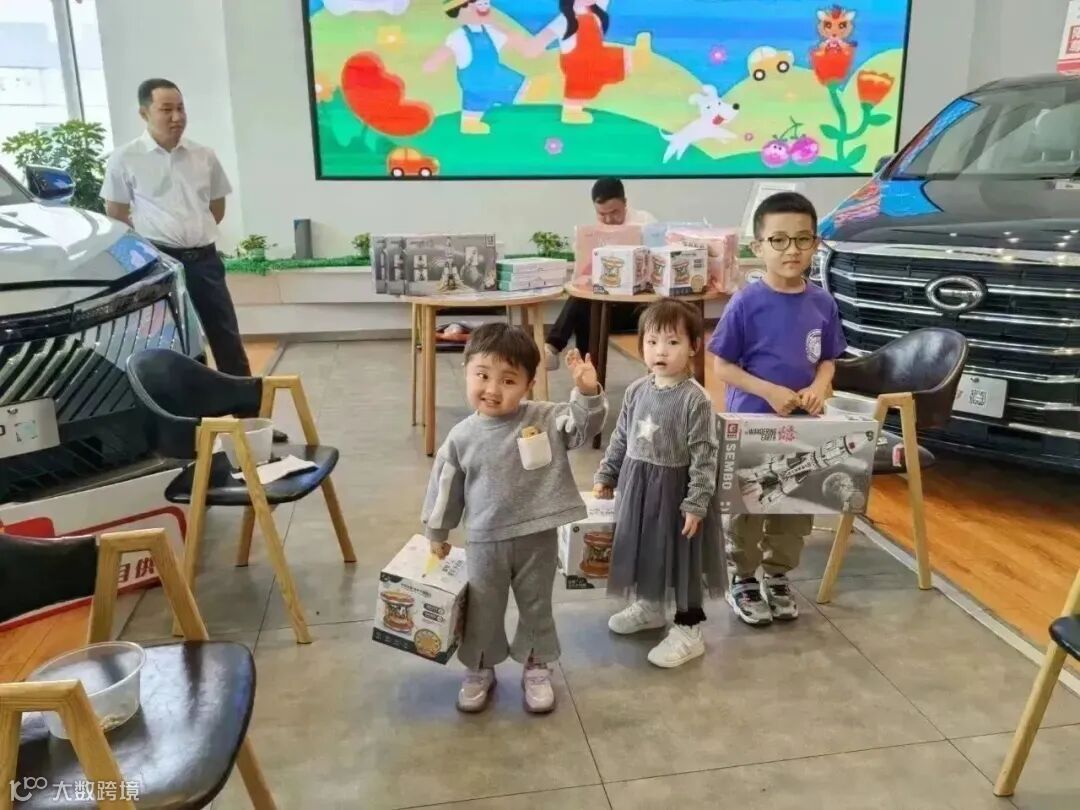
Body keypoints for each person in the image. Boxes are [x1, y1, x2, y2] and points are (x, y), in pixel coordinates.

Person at [422, 324, 607, 713]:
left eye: (508, 380)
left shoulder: (546, 417)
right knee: (483, 608)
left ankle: (537, 665)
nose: (493, 389)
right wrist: (437, 531)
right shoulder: (461, 437)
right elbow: (445, 487)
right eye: (482, 375)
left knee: (536, 604)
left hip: (537, 535)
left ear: (528, 384)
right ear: (466, 371)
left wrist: (587, 392)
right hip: (485, 539)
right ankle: (480, 666)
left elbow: (583, 427)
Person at [707, 191, 846, 626]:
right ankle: (743, 578)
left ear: (815, 244)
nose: (792, 250)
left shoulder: (822, 303)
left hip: (803, 429)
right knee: (747, 507)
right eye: (779, 240)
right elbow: (722, 366)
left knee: (794, 508)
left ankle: (778, 575)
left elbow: (828, 359)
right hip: (752, 425)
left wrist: (819, 387)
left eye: (803, 239)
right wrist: (767, 391)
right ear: (758, 247)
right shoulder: (746, 303)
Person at [593, 300, 723, 668]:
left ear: (693, 346)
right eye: (652, 342)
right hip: (639, 486)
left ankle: (689, 629)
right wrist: (607, 473)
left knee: (682, 559)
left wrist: (696, 503)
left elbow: (705, 455)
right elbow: (621, 436)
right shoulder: (637, 390)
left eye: (672, 342)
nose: (660, 351)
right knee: (645, 548)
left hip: (676, 491)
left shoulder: (695, 400)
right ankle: (650, 606)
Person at [102, 78, 250, 378]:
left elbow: (216, 208)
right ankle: (192, 407)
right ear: (144, 113)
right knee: (174, 341)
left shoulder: (203, 155)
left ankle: (246, 406)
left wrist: (192, 231)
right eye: (166, 109)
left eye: (181, 108)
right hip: (160, 263)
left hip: (205, 261)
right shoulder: (125, 158)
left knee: (225, 335)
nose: (177, 117)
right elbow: (116, 214)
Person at [544, 177, 656, 370]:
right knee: (584, 303)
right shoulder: (593, 234)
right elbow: (582, 273)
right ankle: (585, 375)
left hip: (638, 306)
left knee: (586, 309)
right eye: (602, 214)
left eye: (615, 212)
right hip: (605, 306)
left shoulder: (646, 223)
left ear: (625, 203)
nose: (609, 219)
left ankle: (554, 347)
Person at [423, 0, 547, 135]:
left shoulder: (491, 31)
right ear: (462, 10)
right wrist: (432, 63)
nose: (483, 7)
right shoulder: (458, 36)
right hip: (479, 85)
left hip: (494, 80)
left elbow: (525, 49)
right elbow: (435, 61)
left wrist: (497, 24)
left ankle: (479, 118)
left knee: (530, 93)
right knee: (474, 116)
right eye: (476, 4)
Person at [529, 1, 651, 124]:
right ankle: (571, 111)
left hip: (597, 58)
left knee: (625, 60)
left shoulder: (595, 10)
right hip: (577, 67)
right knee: (581, 85)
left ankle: (640, 56)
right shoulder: (563, 21)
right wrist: (528, 47)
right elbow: (536, 45)